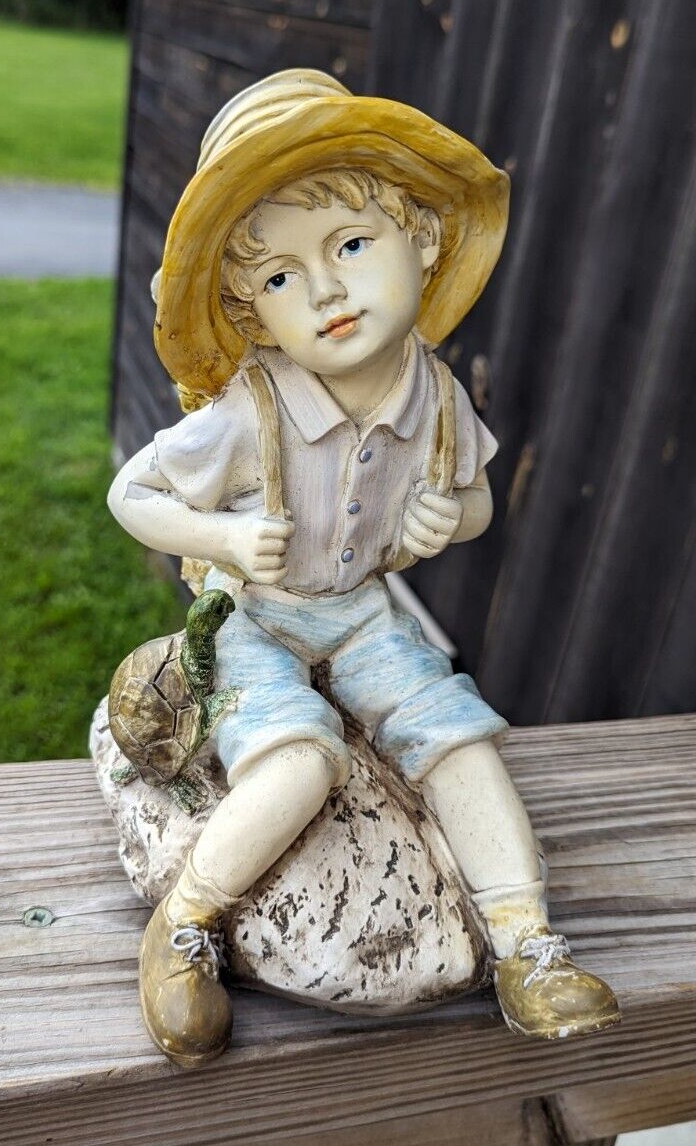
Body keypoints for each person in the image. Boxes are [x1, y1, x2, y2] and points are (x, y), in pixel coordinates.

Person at [109, 69, 620, 1067]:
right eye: (282, 278)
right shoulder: (247, 411)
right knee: (301, 760)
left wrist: (450, 514)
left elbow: (470, 498)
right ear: (252, 313)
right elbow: (134, 494)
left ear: (421, 242)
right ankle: (185, 922)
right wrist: (213, 541)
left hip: (360, 613)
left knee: (457, 736)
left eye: (350, 246)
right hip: (258, 617)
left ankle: (526, 942)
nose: (329, 292)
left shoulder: (430, 390)